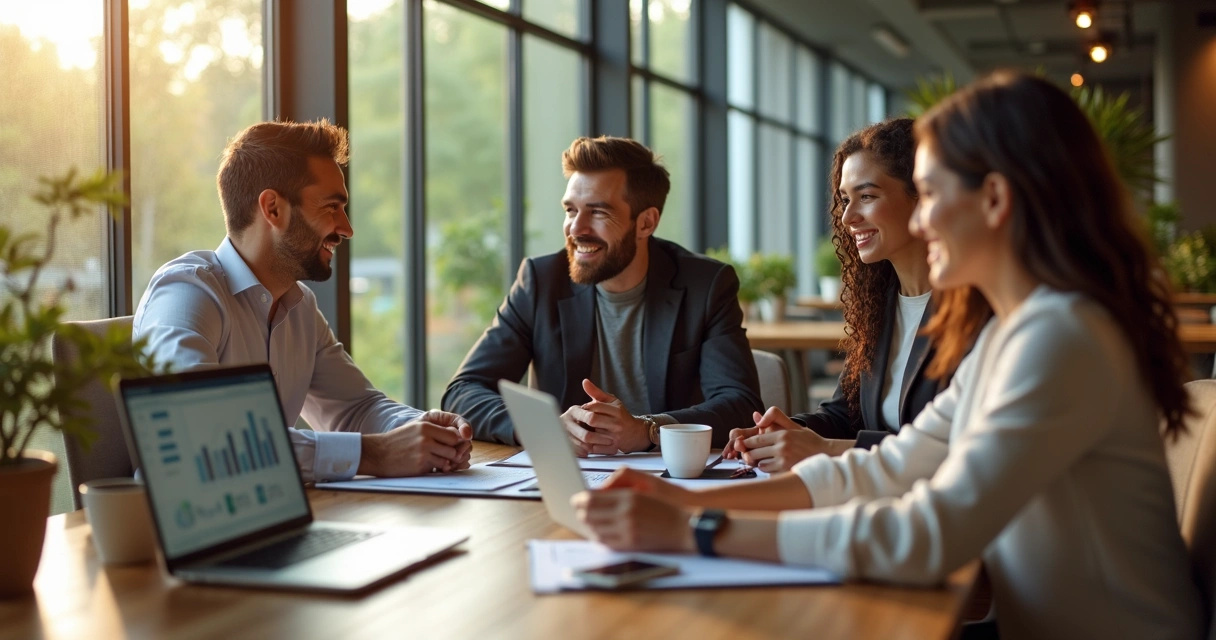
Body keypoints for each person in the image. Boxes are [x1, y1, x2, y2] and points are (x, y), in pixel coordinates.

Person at [573, 72, 1203, 639]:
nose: (923, 223)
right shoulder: (1019, 333)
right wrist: (686, 501)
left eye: (927, 195)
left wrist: (692, 532)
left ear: (994, 199)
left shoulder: (1060, 338)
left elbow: (926, 535)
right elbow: (886, 469)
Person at [134, 119, 473, 483]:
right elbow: (203, 432)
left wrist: (423, 430)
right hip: (191, 529)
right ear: (273, 209)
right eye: (331, 207)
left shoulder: (300, 307)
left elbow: (356, 408)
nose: (346, 228)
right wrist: (374, 454)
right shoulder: (187, 292)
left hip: (275, 512)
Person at [443, 136, 762, 453]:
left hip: (671, 482)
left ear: (646, 223)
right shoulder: (541, 281)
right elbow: (463, 392)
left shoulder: (704, 285)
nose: (576, 228)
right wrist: (547, 427)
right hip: (567, 481)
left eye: (597, 212)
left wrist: (646, 430)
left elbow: (739, 404)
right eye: (571, 210)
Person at [728, 118, 987, 473]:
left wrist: (827, 449)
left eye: (867, 196)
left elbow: (955, 446)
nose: (848, 217)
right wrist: (791, 431)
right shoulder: (880, 304)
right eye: (845, 200)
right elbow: (845, 412)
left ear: (922, 198)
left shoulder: (976, 310)